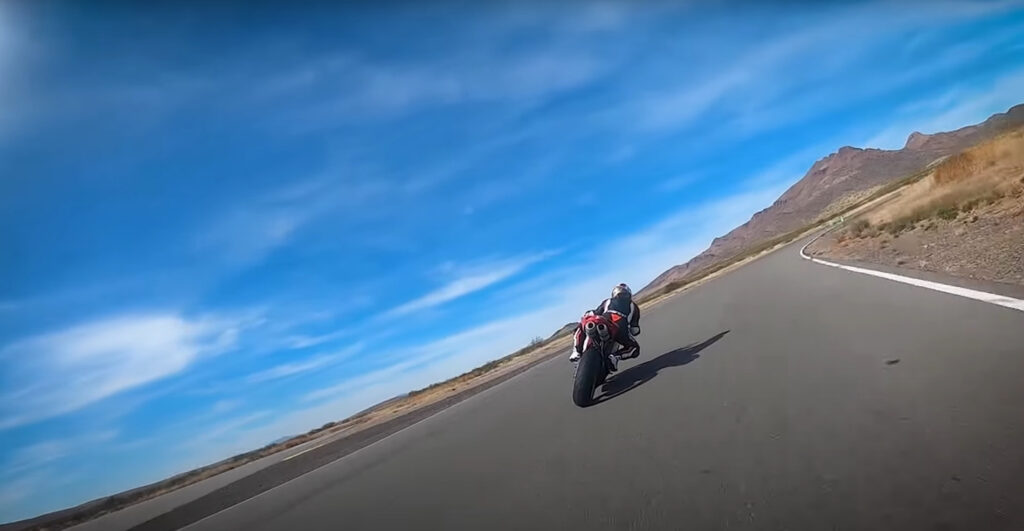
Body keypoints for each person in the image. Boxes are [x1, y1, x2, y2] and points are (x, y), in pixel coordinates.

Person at [569, 283, 641, 368]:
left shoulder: (607, 301)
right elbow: (634, 329)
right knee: (634, 348)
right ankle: (615, 357)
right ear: (629, 294)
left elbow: (595, 312)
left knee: (582, 325)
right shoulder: (634, 306)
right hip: (620, 326)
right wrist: (634, 330)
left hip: (603, 320)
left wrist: (588, 314)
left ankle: (576, 351)